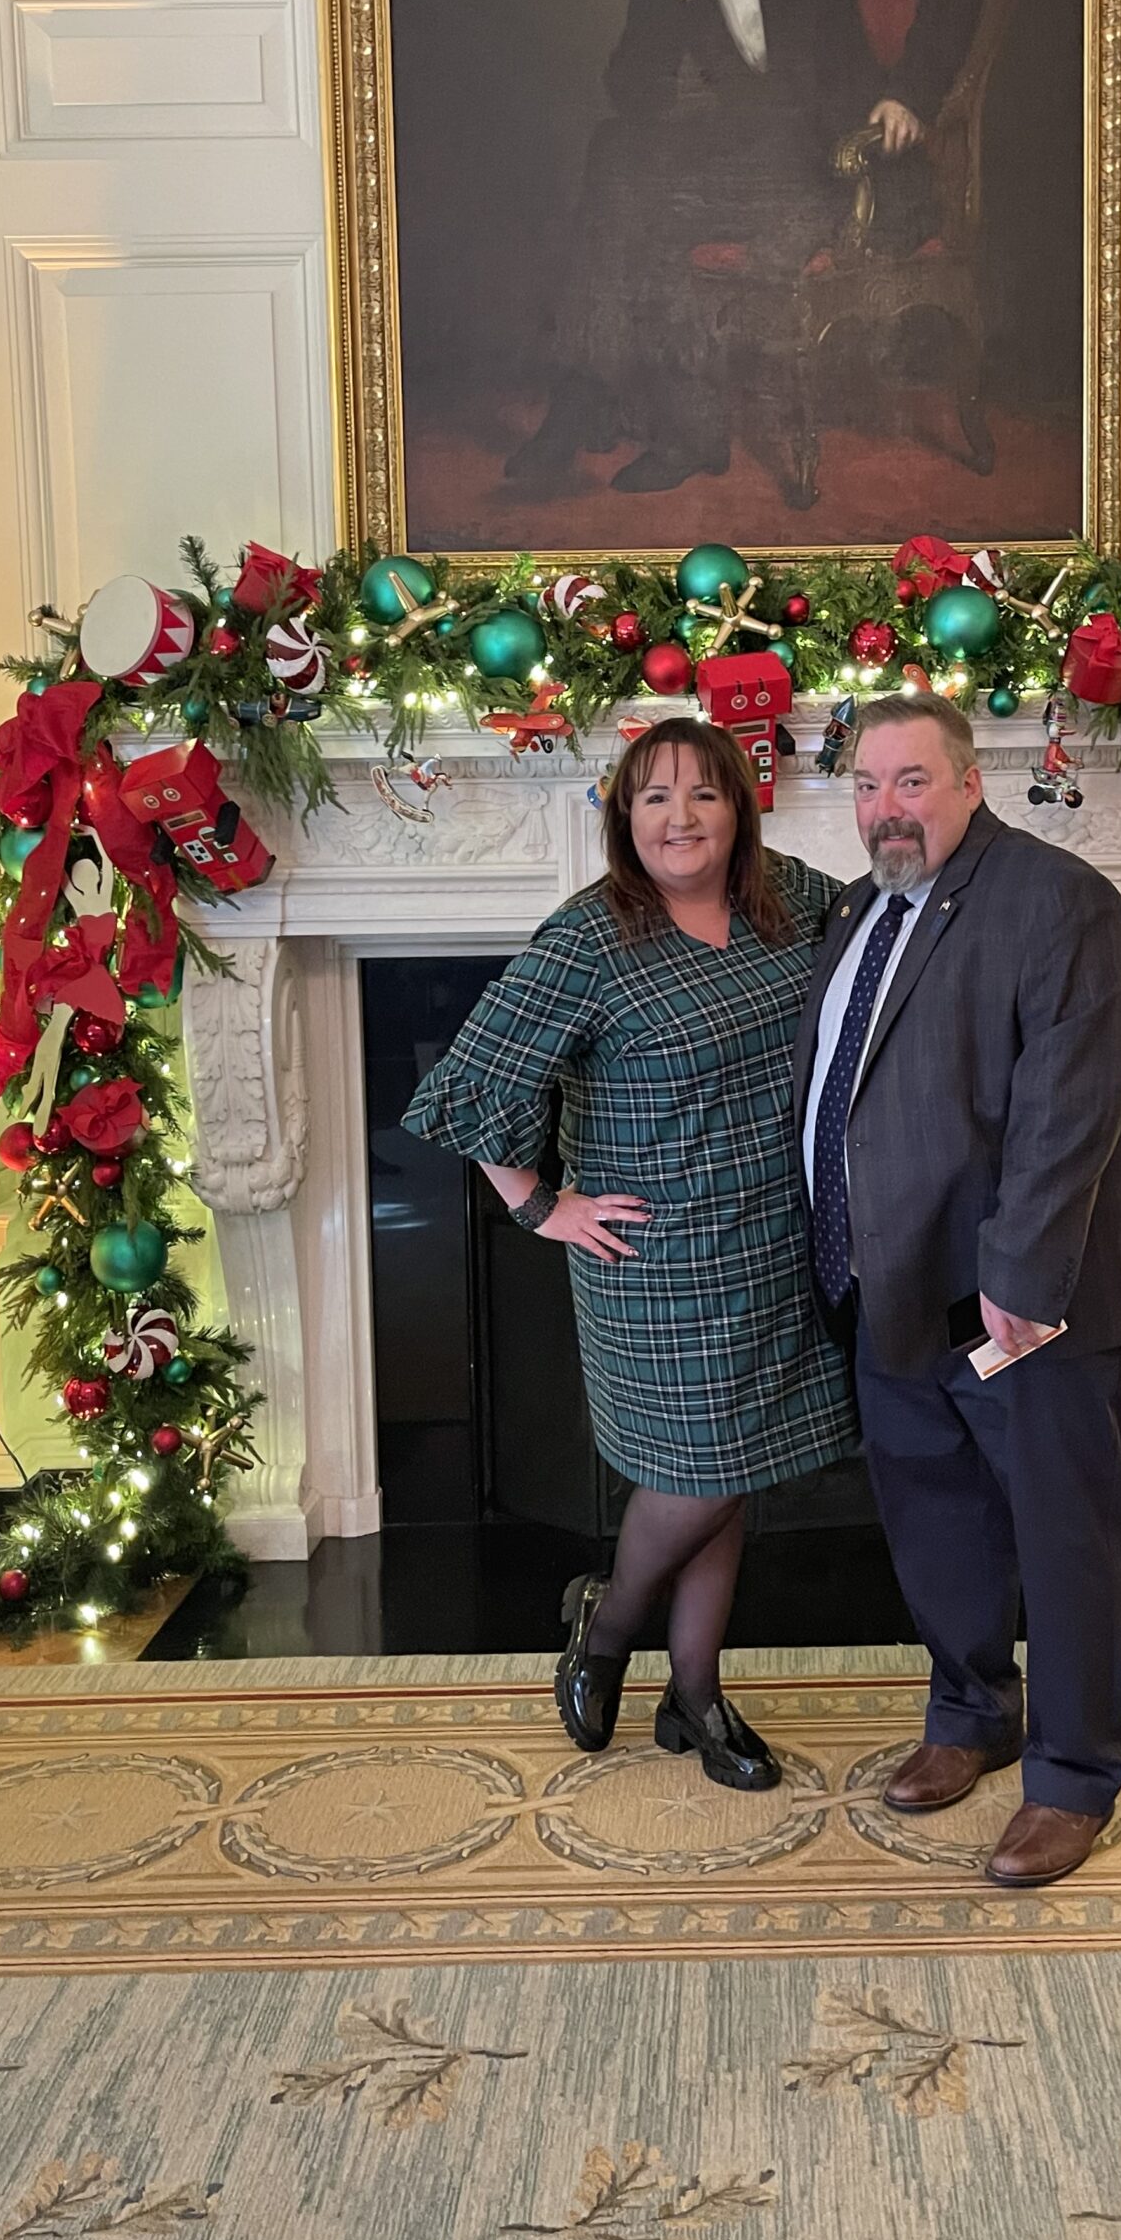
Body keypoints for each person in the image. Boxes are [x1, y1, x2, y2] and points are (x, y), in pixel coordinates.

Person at [404, 718, 856, 1791]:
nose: (681, 817)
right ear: (623, 818)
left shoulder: (787, 899)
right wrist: (539, 1204)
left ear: (740, 808)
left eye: (704, 793)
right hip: (653, 1258)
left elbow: (890, 950)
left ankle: (694, 1692)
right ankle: (607, 1626)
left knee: (730, 1473)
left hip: (775, 1240)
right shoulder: (590, 938)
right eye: (654, 797)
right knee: (693, 1474)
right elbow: (470, 1087)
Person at [797, 694, 1121, 1886]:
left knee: (1066, 1533)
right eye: (867, 785)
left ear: (971, 781)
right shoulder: (864, 910)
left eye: (911, 781)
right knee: (939, 1516)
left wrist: (1019, 1286)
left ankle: (1074, 1776)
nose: (885, 809)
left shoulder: (1059, 901)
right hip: (897, 1279)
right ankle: (971, 1713)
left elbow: (1071, 1108)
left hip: (1030, 1296)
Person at [509, 0, 983, 496]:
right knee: (619, 156)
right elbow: (633, 99)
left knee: (643, 201)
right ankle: (631, 415)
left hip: (851, 167)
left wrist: (909, 95)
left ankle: (599, 407)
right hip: (761, 170)